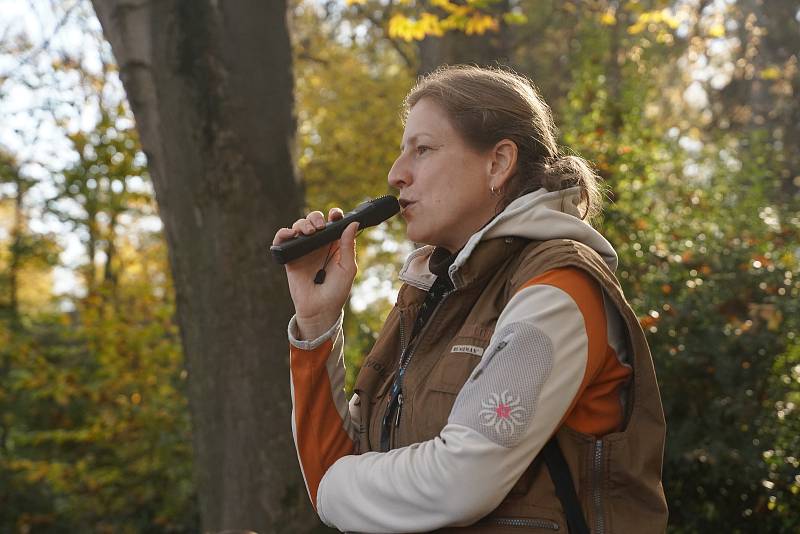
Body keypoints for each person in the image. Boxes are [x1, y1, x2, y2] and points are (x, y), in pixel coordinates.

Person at [273, 65, 667, 533]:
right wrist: (317, 320)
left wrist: (334, 490)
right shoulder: (431, 298)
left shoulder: (559, 289)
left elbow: (458, 482)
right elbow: (338, 462)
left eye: (423, 150)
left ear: (498, 162)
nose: (396, 174)